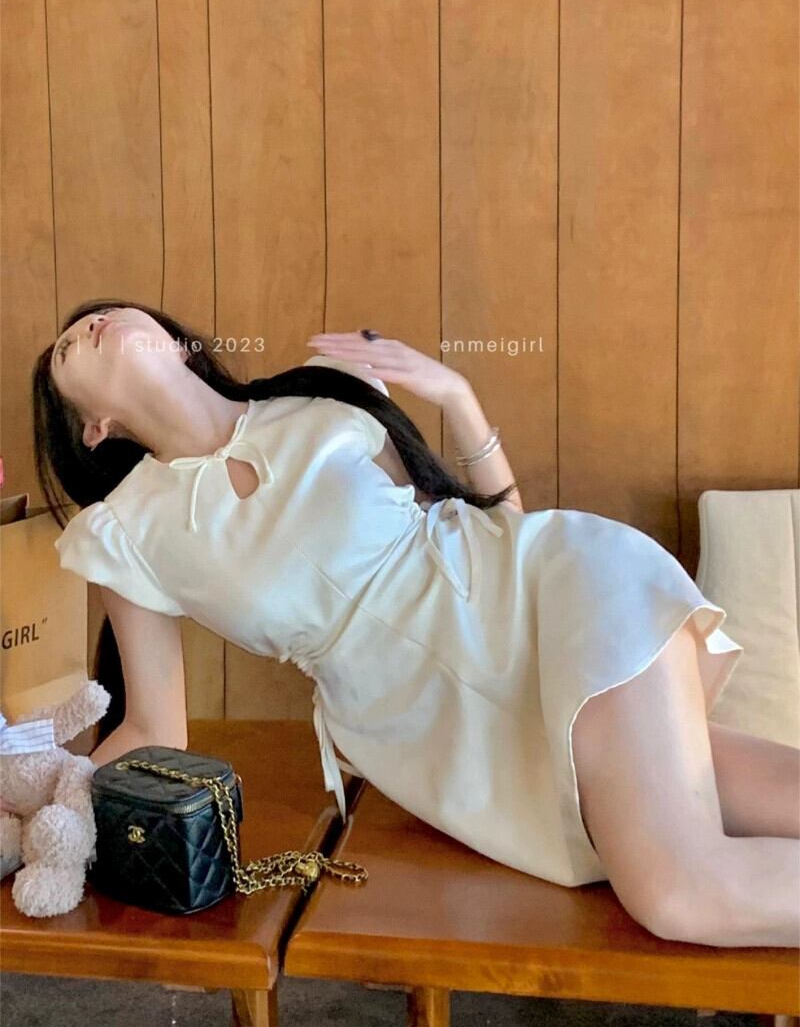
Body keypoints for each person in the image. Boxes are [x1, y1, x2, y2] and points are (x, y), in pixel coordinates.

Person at [32, 299, 798, 948]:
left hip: (552, 606)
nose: (91, 326)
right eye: (69, 346)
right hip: (447, 740)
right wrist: (42, 798)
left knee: (678, 892)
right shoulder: (125, 534)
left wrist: (458, 396)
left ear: (174, 340)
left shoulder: (324, 397)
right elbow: (154, 729)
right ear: (95, 427)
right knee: (733, 793)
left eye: (106, 313)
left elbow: (499, 532)